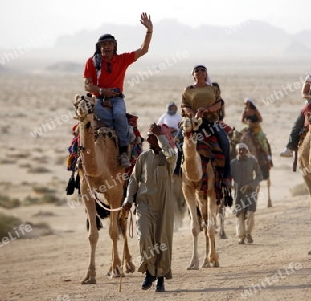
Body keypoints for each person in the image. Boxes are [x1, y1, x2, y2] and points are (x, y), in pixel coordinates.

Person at [83, 12, 153, 167]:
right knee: (91, 116)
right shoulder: (92, 62)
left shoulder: (122, 59)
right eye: (103, 44)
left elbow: (144, 50)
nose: (106, 47)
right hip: (98, 98)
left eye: (109, 44)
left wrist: (149, 31)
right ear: (99, 47)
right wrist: (103, 92)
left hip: (117, 98)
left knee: (119, 115)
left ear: (114, 46)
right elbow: (87, 85)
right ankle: (82, 160)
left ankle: (123, 151)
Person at [122, 123, 177, 292]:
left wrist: (160, 135)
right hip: (144, 204)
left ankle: (160, 278)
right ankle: (149, 272)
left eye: (152, 136)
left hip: (163, 205)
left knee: (162, 241)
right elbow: (133, 179)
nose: (149, 139)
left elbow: (171, 153)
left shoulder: (168, 159)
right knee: (144, 236)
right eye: (149, 136)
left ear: (159, 138)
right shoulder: (143, 157)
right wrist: (128, 198)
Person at [181, 64, 231, 187]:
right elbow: (184, 106)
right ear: (193, 75)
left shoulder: (213, 89)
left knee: (225, 143)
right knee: (178, 142)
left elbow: (219, 103)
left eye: (203, 70)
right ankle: (177, 172)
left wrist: (206, 110)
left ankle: (226, 177)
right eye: (197, 70)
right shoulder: (188, 90)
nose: (200, 72)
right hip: (193, 122)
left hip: (211, 123)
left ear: (206, 74)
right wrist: (194, 114)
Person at [231, 143, 263, 244]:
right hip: (238, 193)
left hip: (250, 192)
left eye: (243, 150)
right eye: (239, 150)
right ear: (237, 151)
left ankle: (248, 233)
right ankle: (241, 236)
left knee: (250, 214)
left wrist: (251, 185)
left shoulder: (252, 161)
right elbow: (227, 177)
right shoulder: (233, 163)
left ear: (246, 150)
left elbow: (259, 176)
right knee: (239, 214)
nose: (241, 152)